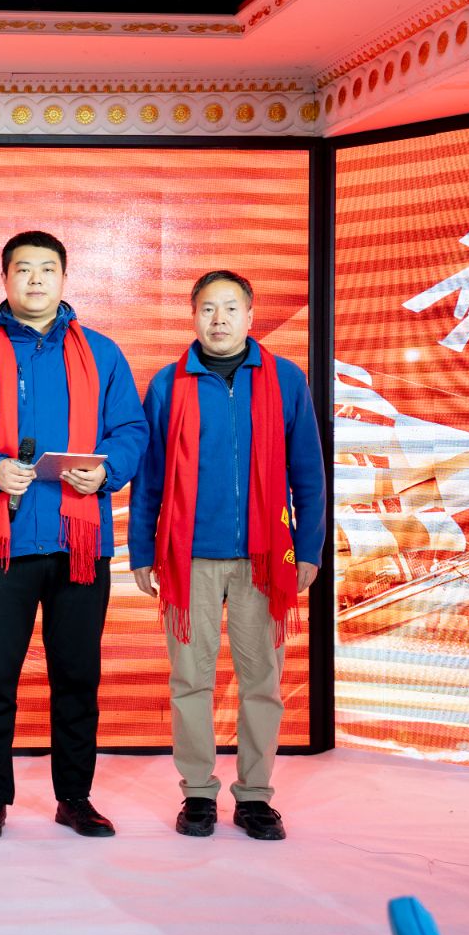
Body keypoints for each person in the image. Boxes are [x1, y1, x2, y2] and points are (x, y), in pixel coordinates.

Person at [0, 231, 148, 839]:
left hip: (79, 542)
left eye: (47, 269)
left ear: (64, 278)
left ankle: (75, 797)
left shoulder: (101, 353)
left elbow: (130, 430)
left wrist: (107, 470)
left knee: (77, 677)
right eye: (23, 269)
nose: (35, 279)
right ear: (4, 279)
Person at [130, 270, 325, 841]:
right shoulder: (168, 385)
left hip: (265, 558)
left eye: (230, 308)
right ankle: (197, 793)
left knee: (262, 680)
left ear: (250, 315)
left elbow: (308, 472)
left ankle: (255, 797)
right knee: (189, 680)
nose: (219, 320)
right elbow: (149, 478)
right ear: (193, 316)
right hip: (187, 557)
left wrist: (309, 548)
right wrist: (142, 549)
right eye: (208, 309)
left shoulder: (285, 380)